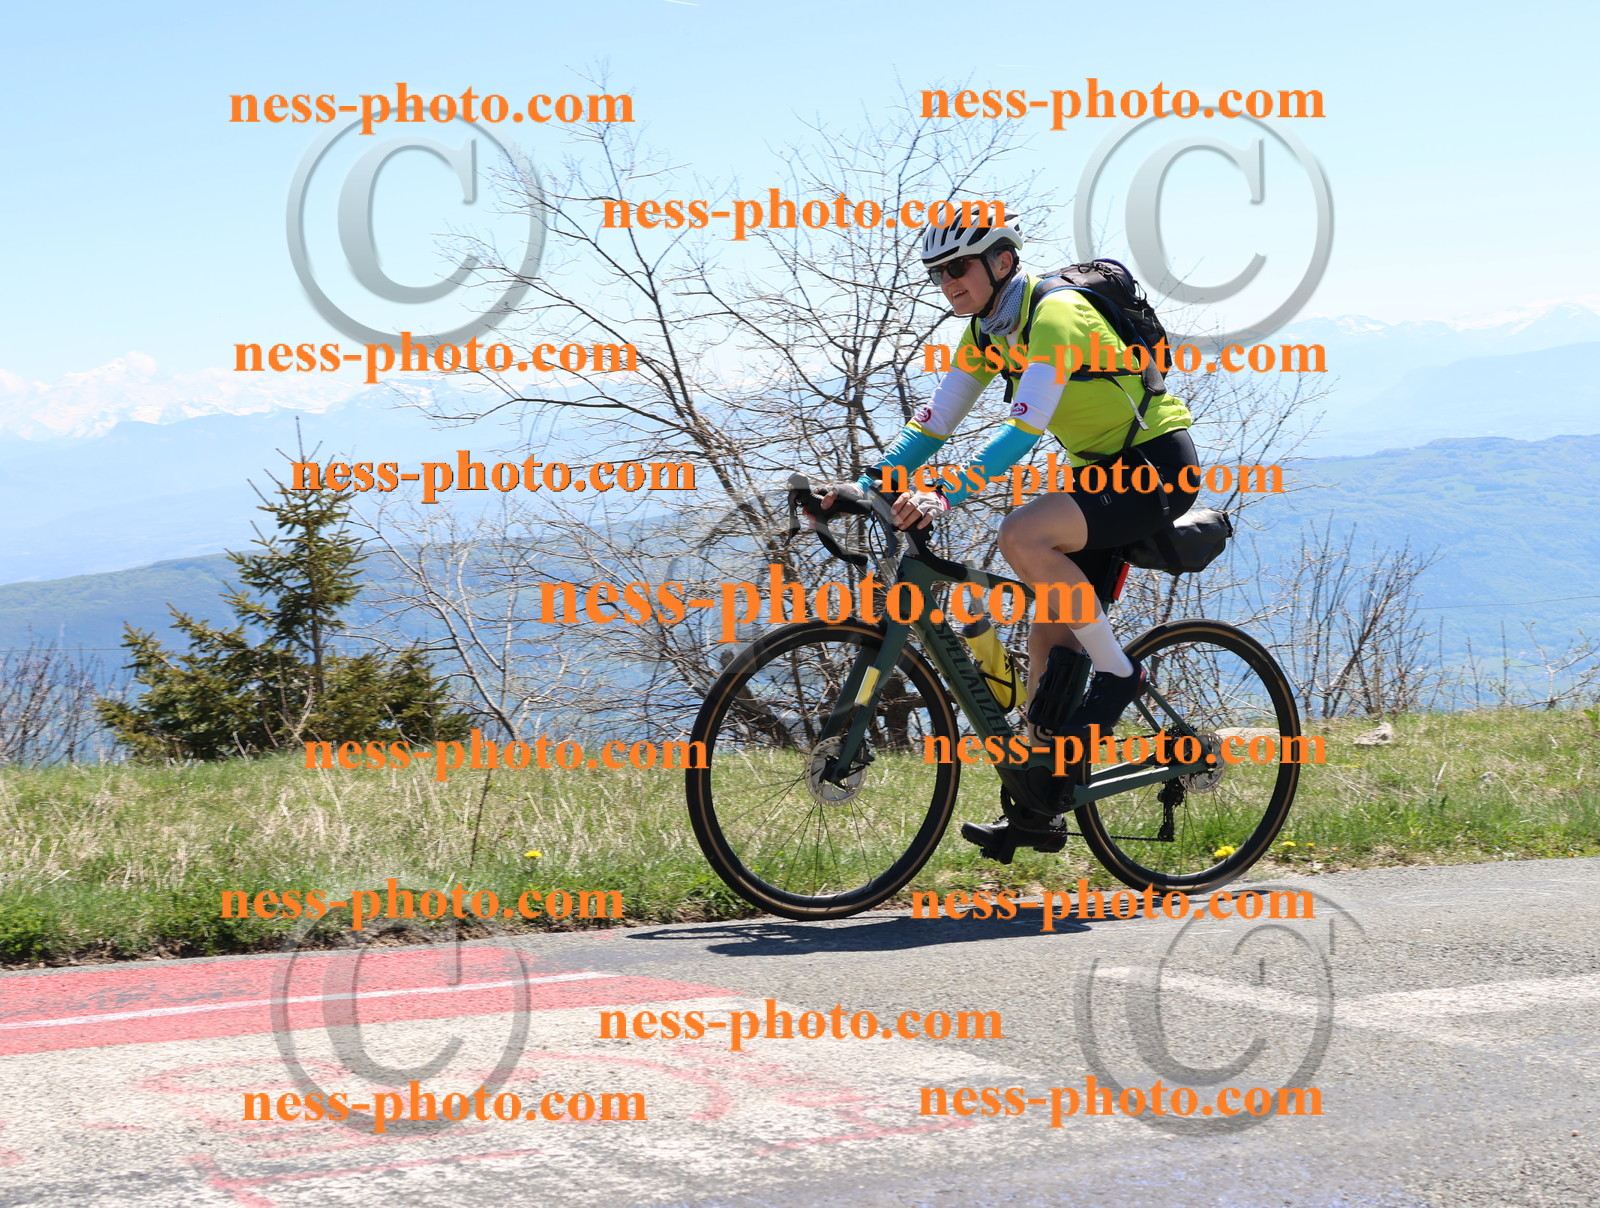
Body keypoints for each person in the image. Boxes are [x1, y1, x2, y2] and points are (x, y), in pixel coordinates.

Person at [827, 215, 1201, 859]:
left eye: (958, 268)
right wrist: (861, 486)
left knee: (1022, 533)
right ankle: (1041, 810)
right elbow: (934, 423)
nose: (947, 283)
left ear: (1000, 263)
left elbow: (1025, 428)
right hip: (1098, 477)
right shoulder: (985, 333)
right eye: (937, 274)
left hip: (1156, 468)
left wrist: (944, 492)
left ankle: (1119, 674)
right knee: (1047, 665)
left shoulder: (1055, 318)